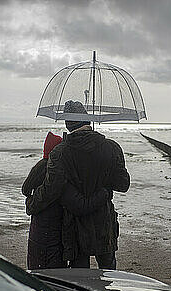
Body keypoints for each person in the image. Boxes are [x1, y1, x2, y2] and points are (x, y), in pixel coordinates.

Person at [25, 100, 130, 269]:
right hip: (103, 223)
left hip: (74, 226)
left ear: (67, 124)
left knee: (79, 279)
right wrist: (103, 185)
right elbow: (123, 184)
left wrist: (32, 204)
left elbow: (51, 189)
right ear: (87, 120)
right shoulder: (111, 147)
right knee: (110, 274)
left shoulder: (60, 152)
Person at [22, 131, 111, 270]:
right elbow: (80, 205)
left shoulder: (39, 170)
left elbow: (28, 194)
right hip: (51, 240)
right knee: (52, 280)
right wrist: (104, 193)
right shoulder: (56, 178)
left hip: (39, 236)